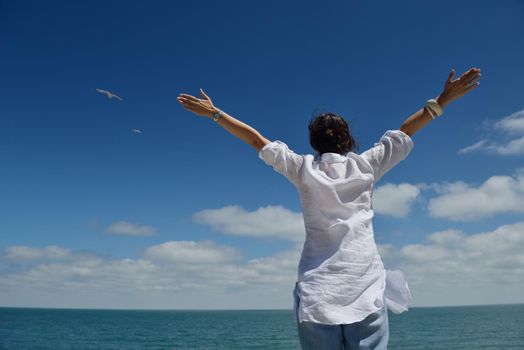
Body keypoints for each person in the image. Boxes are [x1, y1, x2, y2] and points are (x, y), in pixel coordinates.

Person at [177, 67, 481, 350]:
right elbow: (405, 131)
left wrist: (215, 114)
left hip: (317, 295)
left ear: (313, 143)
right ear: (348, 140)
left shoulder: (303, 168)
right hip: (365, 289)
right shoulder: (367, 164)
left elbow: (257, 141)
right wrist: (443, 99)